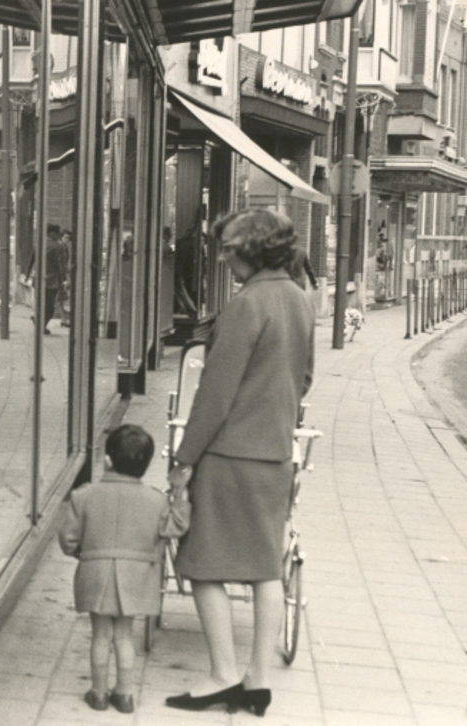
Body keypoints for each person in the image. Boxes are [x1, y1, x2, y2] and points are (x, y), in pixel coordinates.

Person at [165, 208, 315, 717]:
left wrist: (184, 460)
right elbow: (304, 378)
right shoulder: (298, 299)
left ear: (254, 248)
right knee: (264, 568)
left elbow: (215, 393)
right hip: (274, 454)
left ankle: (222, 675)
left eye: (228, 248)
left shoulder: (246, 304)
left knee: (203, 564)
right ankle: (258, 682)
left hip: (229, 456)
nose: (222, 256)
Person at [58, 425, 189, 714]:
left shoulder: (83, 495)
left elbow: (68, 540)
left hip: (96, 573)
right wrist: (180, 492)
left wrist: (86, 554)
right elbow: (176, 526)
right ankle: (125, 694)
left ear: (107, 460)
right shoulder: (156, 500)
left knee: (100, 635)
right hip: (136, 578)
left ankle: (98, 693)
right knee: (124, 635)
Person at [27, 224, 70, 334]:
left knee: (41, 304)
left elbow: (31, 260)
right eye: (57, 234)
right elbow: (60, 265)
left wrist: (27, 275)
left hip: (38, 280)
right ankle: (40, 324)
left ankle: (40, 323)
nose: (59, 236)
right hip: (51, 282)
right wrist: (64, 280)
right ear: (52, 233)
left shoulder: (37, 244)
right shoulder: (57, 246)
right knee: (50, 308)